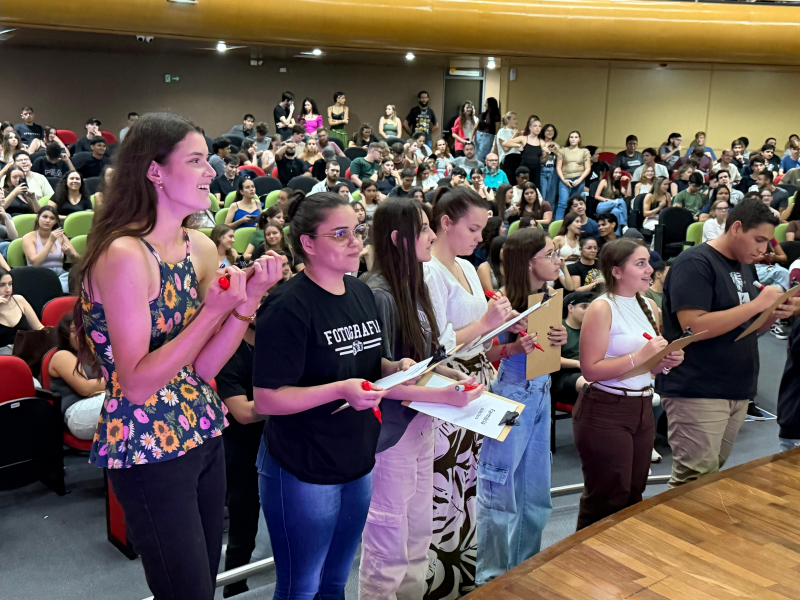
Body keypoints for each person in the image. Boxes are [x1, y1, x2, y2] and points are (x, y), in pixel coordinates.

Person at [73, 112, 281, 599]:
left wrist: (247, 302)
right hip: (147, 442)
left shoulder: (199, 247)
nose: (212, 170)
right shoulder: (124, 253)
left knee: (201, 584)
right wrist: (213, 313)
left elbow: (204, 368)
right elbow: (137, 383)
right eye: (196, 160)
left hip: (202, 428)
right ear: (155, 171)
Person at [251, 191, 411, 599]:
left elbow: (362, 365)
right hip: (303, 464)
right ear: (307, 243)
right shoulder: (287, 305)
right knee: (301, 586)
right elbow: (267, 399)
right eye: (340, 234)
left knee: (336, 581)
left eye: (357, 231)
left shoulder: (359, 292)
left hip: (356, 457)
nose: (356, 242)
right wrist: (339, 390)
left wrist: (394, 367)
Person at [359, 197, 484, 600]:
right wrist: (442, 392)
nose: (432, 235)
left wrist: (449, 376)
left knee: (418, 537)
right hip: (391, 434)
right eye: (424, 228)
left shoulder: (413, 286)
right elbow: (377, 380)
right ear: (399, 238)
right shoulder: (378, 294)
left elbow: (422, 359)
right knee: (388, 542)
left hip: (419, 423)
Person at [422, 186, 519, 596]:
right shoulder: (429, 270)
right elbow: (434, 346)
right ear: (446, 223)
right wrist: (485, 324)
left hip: (476, 378)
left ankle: (463, 581)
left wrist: (507, 327)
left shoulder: (465, 265)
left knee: (469, 488)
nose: (480, 237)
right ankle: (437, 584)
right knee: (445, 489)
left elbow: (481, 335)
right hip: (449, 384)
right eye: (473, 228)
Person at [657, 199, 791, 488]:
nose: (763, 249)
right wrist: (758, 304)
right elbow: (694, 326)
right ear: (737, 227)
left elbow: (749, 328)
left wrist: (772, 312)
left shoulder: (744, 265)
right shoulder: (695, 263)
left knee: (709, 478)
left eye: (767, 242)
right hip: (697, 387)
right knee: (692, 484)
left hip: (735, 387)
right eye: (759, 240)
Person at [476, 227, 568, 585]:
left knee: (536, 495)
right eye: (550, 254)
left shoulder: (548, 298)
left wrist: (560, 338)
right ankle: (490, 580)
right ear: (530, 262)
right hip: (511, 395)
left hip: (541, 391)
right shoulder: (502, 303)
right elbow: (480, 353)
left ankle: (524, 572)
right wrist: (514, 346)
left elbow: (549, 353)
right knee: (499, 492)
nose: (558, 260)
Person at [575, 238, 684, 529]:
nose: (650, 269)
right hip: (605, 409)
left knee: (634, 493)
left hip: (642, 407)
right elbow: (590, 369)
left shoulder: (647, 304)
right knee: (607, 497)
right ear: (616, 271)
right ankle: (585, 555)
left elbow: (648, 367)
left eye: (648, 262)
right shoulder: (602, 308)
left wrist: (665, 362)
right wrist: (641, 356)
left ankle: (619, 555)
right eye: (640, 263)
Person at [215, 314, 267, 599]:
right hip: (241, 449)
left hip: (281, 442)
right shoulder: (229, 351)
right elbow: (244, 413)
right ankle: (234, 590)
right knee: (243, 527)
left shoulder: (279, 341)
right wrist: (289, 401)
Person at [48, 312, 106, 439]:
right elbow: (85, 388)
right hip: (77, 412)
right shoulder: (62, 355)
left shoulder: (96, 353)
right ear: (65, 335)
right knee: (124, 398)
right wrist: (118, 381)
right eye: (75, 331)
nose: (81, 334)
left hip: (99, 401)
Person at [551, 291, 593, 409]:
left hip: (587, 372)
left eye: (590, 308)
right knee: (592, 385)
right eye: (584, 306)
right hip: (563, 376)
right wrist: (578, 363)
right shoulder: (558, 328)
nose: (588, 311)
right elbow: (550, 358)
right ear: (570, 308)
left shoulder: (591, 329)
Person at [22, 206, 78, 292]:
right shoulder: (29, 237)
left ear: (55, 222)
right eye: (45, 217)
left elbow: (79, 260)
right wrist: (51, 242)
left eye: (52, 218)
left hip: (61, 275)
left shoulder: (61, 236)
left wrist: (71, 254)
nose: (48, 221)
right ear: (38, 217)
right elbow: (35, 262)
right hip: (39, 274)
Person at [0, 267, 43, 355]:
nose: (8, 289)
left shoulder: (19, 300)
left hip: (26, 353)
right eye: (2, 285)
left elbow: (39, 328)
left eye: (10, 284)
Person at [538, 123, 560, 206]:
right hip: (542, 169)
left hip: (552, 170)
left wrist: (556, 152)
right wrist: (546, 150)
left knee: (551, 194)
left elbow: (560, 159)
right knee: (542, 193)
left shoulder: (556, 145)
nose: (550, 132)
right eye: (548, 130)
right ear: (544, 132)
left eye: (552, 131)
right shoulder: (540, 142)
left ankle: (550, 212)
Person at [474, 97, 500, 163]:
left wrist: (495, 144)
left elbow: (497, 131)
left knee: (481, 157)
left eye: (486, 103)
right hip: (478, 135)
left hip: (488, 137)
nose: (484, 105)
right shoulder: (483, 114)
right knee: (475, 155)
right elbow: (476, 127)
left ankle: (479, 168)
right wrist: (472, 138)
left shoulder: (495, 116)